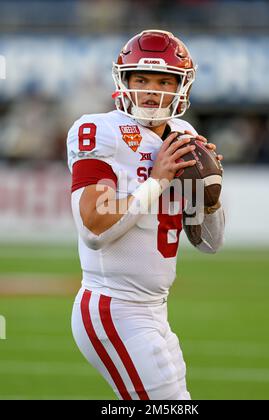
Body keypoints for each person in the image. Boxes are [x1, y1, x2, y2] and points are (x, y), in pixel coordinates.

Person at [67, 29, 225, 400]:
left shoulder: (184, 134)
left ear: (182, 86)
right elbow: (93, 227)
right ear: (124, 81)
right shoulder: (99, 130)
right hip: (114, 306)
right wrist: (157, 181)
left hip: (156, 310)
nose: (152, 90)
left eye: (164, 80)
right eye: (141, 79)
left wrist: (211, 197)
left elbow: (210, 243)